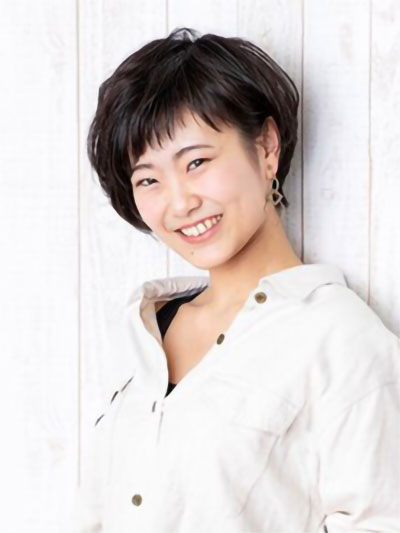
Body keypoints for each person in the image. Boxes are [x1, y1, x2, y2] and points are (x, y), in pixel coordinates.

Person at [72, 27, 400, 532]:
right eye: (148, 179)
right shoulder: (143, 333)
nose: (179, 203)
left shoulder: (341, 339)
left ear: (266, 148)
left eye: (197, 162)